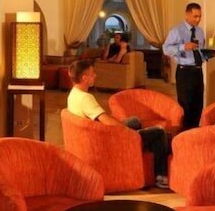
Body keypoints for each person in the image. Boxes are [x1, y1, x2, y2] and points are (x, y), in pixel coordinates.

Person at [67, 59, 170, 189]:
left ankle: (139, 153)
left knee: (135, 121)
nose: (95, 76)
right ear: (84, 78)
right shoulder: (85, 98)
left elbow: (100, 119)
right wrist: (127, 132)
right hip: (105, 138)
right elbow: (106, 120)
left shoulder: (73, 94)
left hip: (97, 131)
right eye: (92, 73)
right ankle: (160, 177)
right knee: (159, 133)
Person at [163, 2, 215, 130]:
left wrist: (208, 54)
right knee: (185, 106)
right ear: (187, 15)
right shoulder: (177, 30)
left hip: (198, 72)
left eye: (200, 16)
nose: (198, 19)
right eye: (195, 16)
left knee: (198, 105)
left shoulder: (200, 32)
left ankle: (194, 133)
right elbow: (166, 49)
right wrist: (183, 47)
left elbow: (199, 52)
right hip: (184, 72)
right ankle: (184, 134)